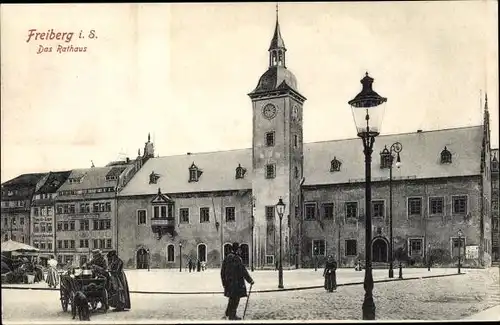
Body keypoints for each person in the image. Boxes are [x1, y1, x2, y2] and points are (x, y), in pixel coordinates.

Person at [221, 242, 254, 320]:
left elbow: (222, 271)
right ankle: (232, 316)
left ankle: (228, 313)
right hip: (236, 283)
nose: (241, 251)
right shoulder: (237, 259)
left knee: (232, 298)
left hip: (229, 283)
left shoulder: (227, 257)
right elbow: (243, 271)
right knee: (236, 299)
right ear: (237, 250)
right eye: (240, 249)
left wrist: (224, 283)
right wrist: (250, 280)